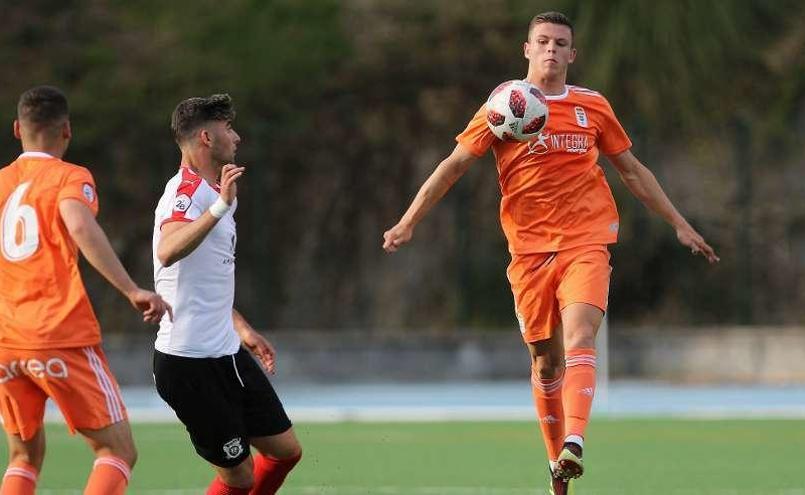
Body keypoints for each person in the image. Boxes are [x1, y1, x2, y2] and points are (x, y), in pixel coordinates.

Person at [383, 11, 719, 495]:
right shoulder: (504, 106)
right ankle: (556, 466)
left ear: (572, 54)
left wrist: (680, 224)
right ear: (526, 49)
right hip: (529, 252)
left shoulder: (592, 106)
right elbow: (454, 165)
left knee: (581, 336)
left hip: (587, 239)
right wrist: (408, 220)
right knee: (545, 363)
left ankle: (576, 442)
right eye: (543, 42)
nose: (552, 51)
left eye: (561, 44)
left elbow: (632, 170)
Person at [0, 85, 172, 495]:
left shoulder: (2, 182)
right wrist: (131, 289)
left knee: (23, 456)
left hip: (6, 338)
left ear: (16, 130)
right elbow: (78, 224)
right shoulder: (69, 177)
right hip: (57, 331)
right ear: (67, 131)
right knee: (116, 451)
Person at [151, 94, 302, 495]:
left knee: (285, 452)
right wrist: (219, 207)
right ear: (205, 137)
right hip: (188, 363)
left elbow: (208, 278)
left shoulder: (214, 191)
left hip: (226, 351)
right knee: (239, 476)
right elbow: (167, 250)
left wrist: (243, 329)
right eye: (228, 129)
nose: (237, 137)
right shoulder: (186, 192)